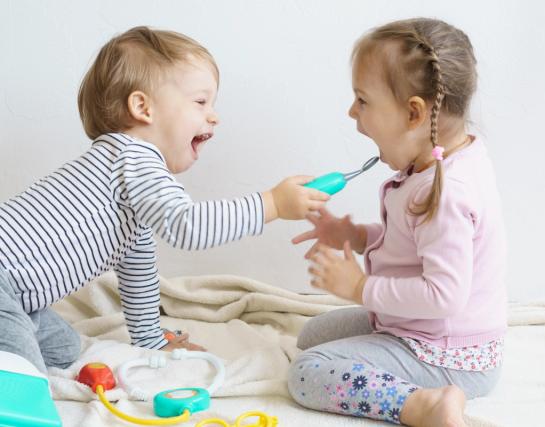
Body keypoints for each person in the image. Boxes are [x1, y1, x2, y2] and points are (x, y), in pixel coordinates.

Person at [0, 26, 329, 374]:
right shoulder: (133, 157)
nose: (214, 115)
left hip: (20, 299)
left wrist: (151, 339)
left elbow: (137, 272)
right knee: (21, 378)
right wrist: (272, 204)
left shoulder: (134, 193)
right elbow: (188, 227)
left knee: (64, 349)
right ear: (143, 107)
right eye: (201, 102)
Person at [288, 17, 507, 426]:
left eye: (363, 100)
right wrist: (354, 235)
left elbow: (444, 296)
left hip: (448, 354)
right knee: (310, 335)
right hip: (420, 330)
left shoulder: (448, 192)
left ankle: (423, 405)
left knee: (307, 371)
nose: (352, 111)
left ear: (413, 114)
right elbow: (413, 245)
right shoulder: (440, 163)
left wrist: (359, 287)